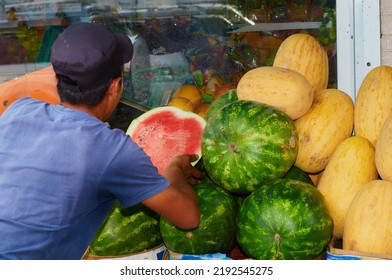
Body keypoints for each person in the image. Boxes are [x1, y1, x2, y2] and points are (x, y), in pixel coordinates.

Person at [0, 22, 202, 260]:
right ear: (115, 87)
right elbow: (188, 218)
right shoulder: (112, 150)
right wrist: (176, 170)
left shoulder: (20, 109)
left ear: (57, 79)